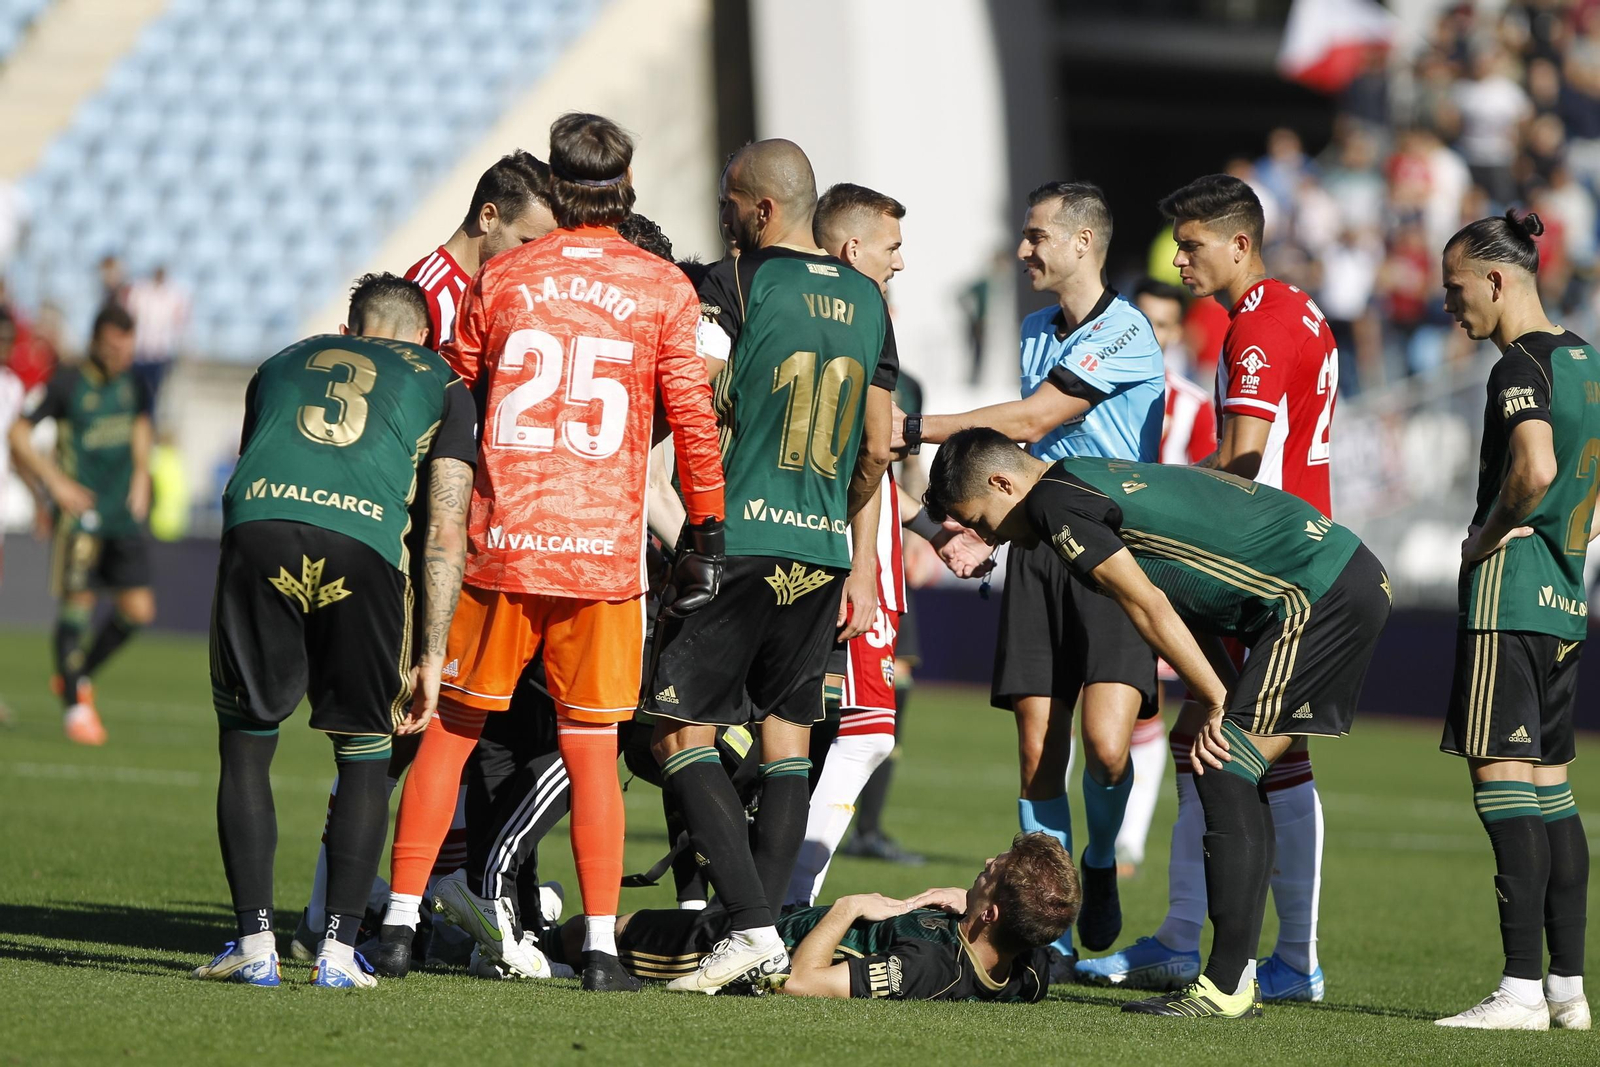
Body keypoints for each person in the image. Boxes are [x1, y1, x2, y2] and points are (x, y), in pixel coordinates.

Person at [377, 113, 726, 993]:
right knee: (592, 749)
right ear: (626, 182)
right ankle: (603, 947)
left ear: (555, 182)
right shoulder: (661, 287)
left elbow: (457, 385)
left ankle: (396, 926)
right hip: (601, 558)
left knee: (450, 737)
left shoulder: (503, 275)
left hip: (502, 547)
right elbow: (690, 416)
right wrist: (708, 527)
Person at [924, 427, 1391, 1019]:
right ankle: (1239, 978)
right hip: (1336, 578)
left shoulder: (1053, 503)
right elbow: (1183, 603)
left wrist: (1218, 699)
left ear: (1001, 482)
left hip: (1318, 593)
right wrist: (1220, 693)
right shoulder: (1079, 478)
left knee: (1223, 766)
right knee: (1229, 767)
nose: (986, 536)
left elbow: (1148, 603)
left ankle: (1226, 987)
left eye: (980, 519)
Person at [291, 148, 561, 969]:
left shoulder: (470, 293)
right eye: (524, 238)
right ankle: (334, 902)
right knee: (400, 731)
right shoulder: (429, 302)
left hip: (446, 550)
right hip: (411, 553)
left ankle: (380, 894)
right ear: (487, 219)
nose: (529, 259)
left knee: (429, 734)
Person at [640, 139, 897, 993]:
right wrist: (855, 549)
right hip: (822, 546)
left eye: (729, 199)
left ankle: (750, 927)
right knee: (790, 738)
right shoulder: (869, 299)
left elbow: (700, 401)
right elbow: (878, 444)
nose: (722, 213)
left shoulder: (734, 280)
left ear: (760, 208)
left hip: (741, 533)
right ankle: (769, 929)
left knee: (681, 730)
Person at [893, 181, 1165, 975]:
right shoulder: (1034, 329)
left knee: (1109, 748)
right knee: (1038, 754)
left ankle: (1104, 858)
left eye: (1036, 235)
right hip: (1041, 554)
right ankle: (1056, 931)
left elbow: (1030, 422)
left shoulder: (1129, 332)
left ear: (1083, 242)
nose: (1023, 250)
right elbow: (1017, 466)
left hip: (1116, 550)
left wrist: (912, 426)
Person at [1080, 175, 1339, 1000]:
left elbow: (1241, 459)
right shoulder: (1297, 307)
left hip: (1267, 566)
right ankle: (1195, 938)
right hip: (1296, 552)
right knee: (1227, 740)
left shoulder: (1256, 324)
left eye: (1191, 245)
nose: (1180, 258)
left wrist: (1153, 504)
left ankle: (1280, 957)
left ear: (1238, 243)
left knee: (1252, 750)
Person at [191, 273, 476, 988]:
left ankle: (254, 944)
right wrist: (433, 651)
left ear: (352, 327)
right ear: (421, 335)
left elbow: (259, 453)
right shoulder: (442, 378)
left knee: (247, 742)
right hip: (364, 548)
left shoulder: (282, 359)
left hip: (259, 532)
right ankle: (341, 951)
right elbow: (445, 526)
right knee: (365, 750)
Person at [785, 183, 991, 907]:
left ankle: (734, 896)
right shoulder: (866, 319)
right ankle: (784, 899)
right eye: (893, 247)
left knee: (775, 724)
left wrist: (937, 532)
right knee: (867, 729)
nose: (900, 263)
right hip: (848, 551)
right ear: (852, 249)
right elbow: (873, 456)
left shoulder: (786, 303)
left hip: (777, 532)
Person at [1434, 211, 1597, 1031]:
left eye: (1456, 289)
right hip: (1568, 595)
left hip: (1511, 596)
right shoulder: (1585, 360)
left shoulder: (1520, 366)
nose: (1449, 307)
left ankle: (1520, 990)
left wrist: (1484, 535)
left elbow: (1532, 466)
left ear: (1497, 280)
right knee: (1552, 789)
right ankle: (1567, 988)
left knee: (1502, 779)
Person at [564, 832, 1076, 1002]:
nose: (986, 863)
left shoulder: (928, 967)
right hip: (779, 920)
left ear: (992, 912)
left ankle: (530, 938)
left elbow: (804, 983)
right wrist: (968, 905)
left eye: (994, 872)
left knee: (604, 934)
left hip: (729, 947)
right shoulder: (1030, 969)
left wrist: (848, 906)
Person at [8, 305, 154, 746]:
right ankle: (75, 707)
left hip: (122, 515)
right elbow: (17, 432)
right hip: (81, 518)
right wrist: (55, 484)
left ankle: (77, 675)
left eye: (127, 347)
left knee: (138, 611)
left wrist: (143, 472)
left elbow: (143, 422)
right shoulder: (68, 381)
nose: (121, 355)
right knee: (78, 608)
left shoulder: (134, 381)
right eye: (113, 347)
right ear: (95, 342)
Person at [1112, 278, 1217, 878]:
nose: (1156, 335)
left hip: (1166, 575)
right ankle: (1109, 838)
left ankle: (1128, 841)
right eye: (1144, 322)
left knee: (1148, 708)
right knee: (1109, 710)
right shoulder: (1097, 390)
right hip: (1100, 565)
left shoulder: (1195, 406)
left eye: (1166, 325)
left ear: (1179, 333)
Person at [405, 151, 556, 348]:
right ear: (488, 217)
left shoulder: (524, 289)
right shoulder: (426, 294)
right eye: (526, 242)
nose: (535, 259)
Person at [124, 265, 189, 407]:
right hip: (140, 352)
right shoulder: (141, 292)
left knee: (154, 393)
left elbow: (180, 322)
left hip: (160, 353)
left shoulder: (173, 295)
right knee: (135, 390)